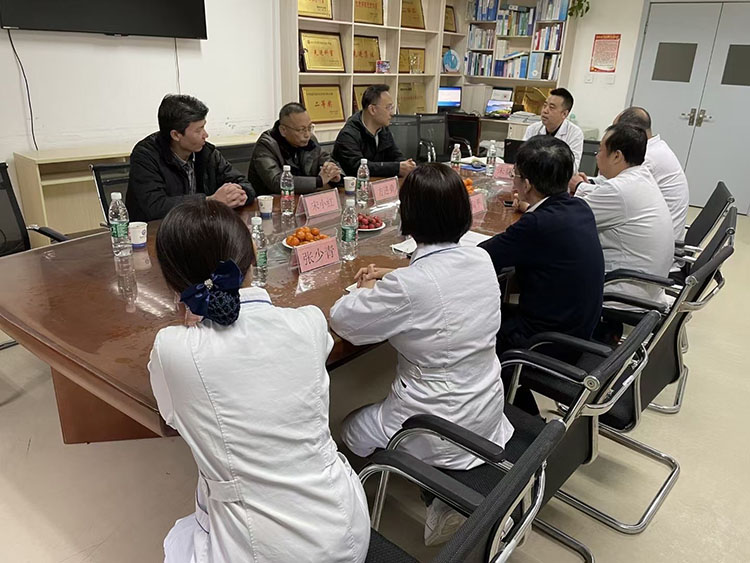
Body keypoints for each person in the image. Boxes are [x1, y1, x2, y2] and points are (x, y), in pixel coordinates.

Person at [149, 199, 370, 563]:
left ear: (172, 281)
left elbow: (172, 416)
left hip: (264, 550)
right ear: (252, 254)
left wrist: (192, 316)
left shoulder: (173, 349)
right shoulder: (310, 322)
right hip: (345, 529)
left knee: (179, 541)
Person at [330, 163, 513, 546]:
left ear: (408, 216)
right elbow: (437, 284)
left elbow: (345, 321)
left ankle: (432, 493)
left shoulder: (410, 287)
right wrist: (392, 276)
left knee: (348, 429)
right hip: (486, 409)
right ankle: (441, 488)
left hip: (434, 423)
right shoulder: (481, 259)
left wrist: (366, 289)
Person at [479, 135, 604, 353]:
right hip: (577, 331)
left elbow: (482, 257)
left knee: (472, 323)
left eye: (515, 175)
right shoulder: (580, 208)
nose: (513, 180)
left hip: (544, 342)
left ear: (527, 184)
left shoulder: (536, 224)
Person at [572, 123, 674, 308]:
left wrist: (531, 205)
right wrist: (581, 188)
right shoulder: (641, 177)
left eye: (600, 150)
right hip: (647, 287)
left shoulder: (619, 190)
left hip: (619, 293)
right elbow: (609, 197)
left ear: (617, 156)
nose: (597, 156)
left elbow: (567, 220)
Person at [126, 94, 255, 222]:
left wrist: (239, 195)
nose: (205, 135)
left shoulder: (206, 152)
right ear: (176, 135)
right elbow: (156, 207)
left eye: (204, 127)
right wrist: (209, 201)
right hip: (157, 230)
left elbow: (244, 184)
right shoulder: (145, 156)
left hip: (199, 226)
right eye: (199, 130)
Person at [614, 106, 689, 244]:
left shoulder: (646, 157)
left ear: (630, 132)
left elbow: (617, 193)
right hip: (662, 230)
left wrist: (581, 187)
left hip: (658, 240)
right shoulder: (658, 147)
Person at [247, 102, 342, 195]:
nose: (307, 134)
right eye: (301, 130)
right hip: (272, 202)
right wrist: (318, 181)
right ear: (283, 130)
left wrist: (334, 174)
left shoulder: (310, 140)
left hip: (303, 198)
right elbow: (276, 182)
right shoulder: (266, 145)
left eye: (309, 128)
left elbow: (326, 159)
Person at [332, 84, 417, 177]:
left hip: (378, 182)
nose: (392, 113)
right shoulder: (348, 135)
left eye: (392, 108)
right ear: (372, 109)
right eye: (388, 108)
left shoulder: (382, 129)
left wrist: (407, 165)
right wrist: (397, 168)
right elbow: (357, 167)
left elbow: (395, 155)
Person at [523, 88, 584, 172]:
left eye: (551, 107)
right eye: (545, 105)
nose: (545, 111)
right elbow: (523, 157)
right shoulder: (533, 128)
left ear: (564, 114)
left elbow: (573, 167)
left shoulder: (575, 133)